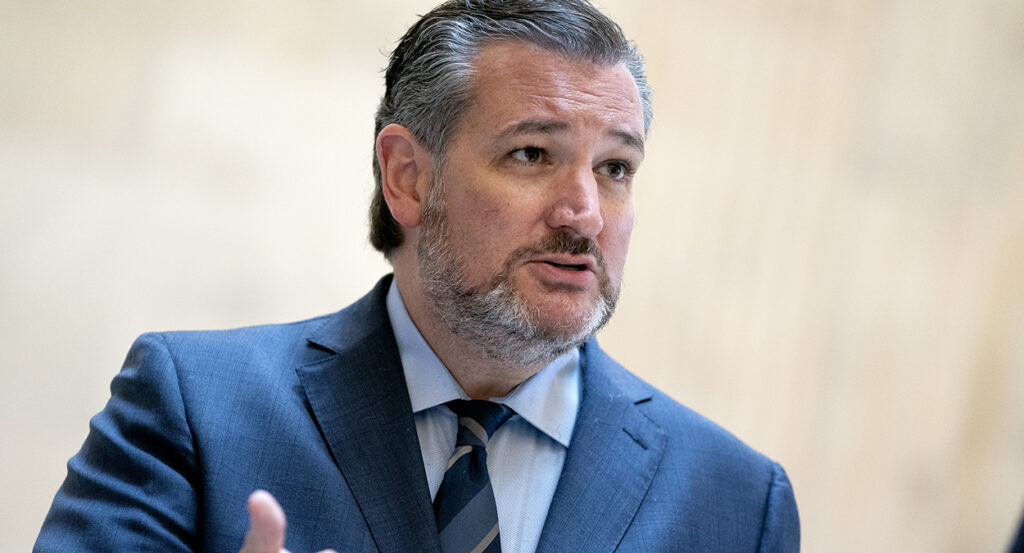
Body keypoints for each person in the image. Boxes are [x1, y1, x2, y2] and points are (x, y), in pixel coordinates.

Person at [33, 1, 800, 552]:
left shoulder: (737, 502)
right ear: (407, 177)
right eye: (532, 154)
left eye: (616, 168)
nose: (586, 213)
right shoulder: (195, 407)